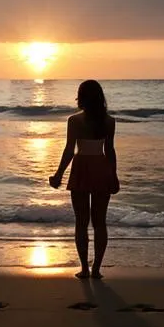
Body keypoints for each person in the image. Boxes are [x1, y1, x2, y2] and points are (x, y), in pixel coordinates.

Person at [49, 80, 119, 279]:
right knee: (100, 222)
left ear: (81, 97)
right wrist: (114, 175)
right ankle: (96, 269)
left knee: (81, 222)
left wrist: (58, 174)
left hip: (81, 168)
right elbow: (110, 151)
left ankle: (84, 269)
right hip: (102, 168)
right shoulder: (109, 121)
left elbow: (69, 150)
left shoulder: (74, 121)